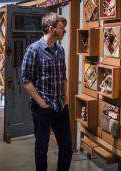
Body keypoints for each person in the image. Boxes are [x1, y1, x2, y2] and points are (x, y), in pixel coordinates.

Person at [21, 13, 72, 171]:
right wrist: (41, 102)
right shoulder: (33, 50)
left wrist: (66, 98)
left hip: (61, 107)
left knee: (67, 147)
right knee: (42, 149)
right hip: (43, 109)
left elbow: (63, 76)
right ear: (52, 29)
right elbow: (25, 79)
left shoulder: (60, 50)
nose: (65, 31)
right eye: (62, 28)